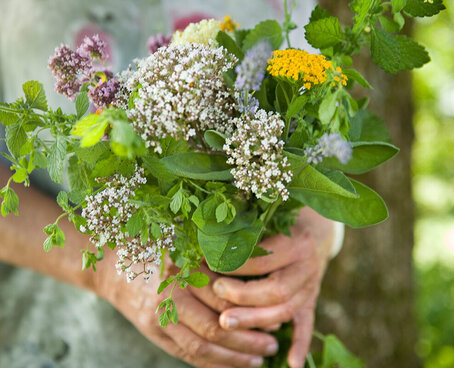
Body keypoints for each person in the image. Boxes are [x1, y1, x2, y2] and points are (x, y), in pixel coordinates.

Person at [0, 1, 343, 367]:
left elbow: (315, 107)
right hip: (57, 338)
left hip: (250, 333)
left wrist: (319, 223)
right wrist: (107, 273)